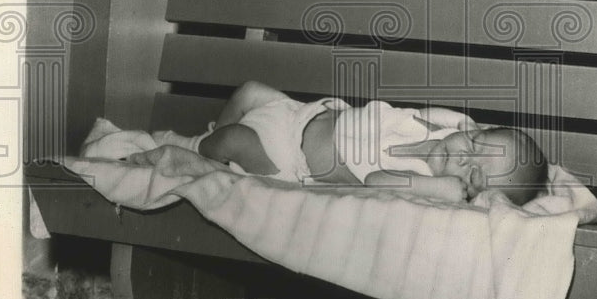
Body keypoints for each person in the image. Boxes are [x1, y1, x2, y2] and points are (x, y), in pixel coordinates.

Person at [130, 81, 548, 206]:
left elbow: (375, 182)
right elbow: (456, 121)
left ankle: (198, 153)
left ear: (471, 188)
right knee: (249, 92)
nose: (461, 154)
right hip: (299, 112)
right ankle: (207, 151)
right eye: (474, 141)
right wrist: (464, 129)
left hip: (288, 157)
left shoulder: (421, 181)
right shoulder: (439, 127)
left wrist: (445, 188)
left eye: (471, 171)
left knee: (234, 139)